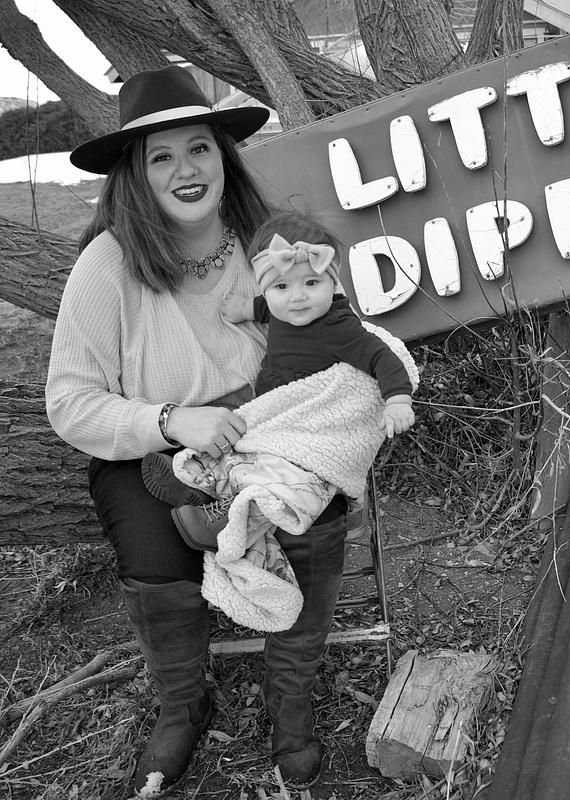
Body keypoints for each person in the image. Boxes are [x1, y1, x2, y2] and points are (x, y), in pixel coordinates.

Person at [45, 65, 344, 796]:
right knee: (155, 555)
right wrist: (171, 419)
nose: (186, 170)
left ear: (223, 157)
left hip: (269, 430)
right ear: (136, 175)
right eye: (162, 157)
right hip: (153, 444)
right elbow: (70, 401)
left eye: (199, 148)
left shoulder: (270, 244)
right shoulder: (108, 263)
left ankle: (291, 695)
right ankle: (184, 703)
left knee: (315, 511)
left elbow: (337, 341)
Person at [147, 209, 415, 547]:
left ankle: (229, 521)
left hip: (308, 430)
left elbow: (382, 357)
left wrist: (397, 399)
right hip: (274, 414)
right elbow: (268, 307)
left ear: (332, 283)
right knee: (243, 452)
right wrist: (246, 309)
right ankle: (201, 484)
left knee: (286, 482)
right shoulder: (283, 310)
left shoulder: (337, 327)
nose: (297, 296)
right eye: (282, 286)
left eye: (312, 283)